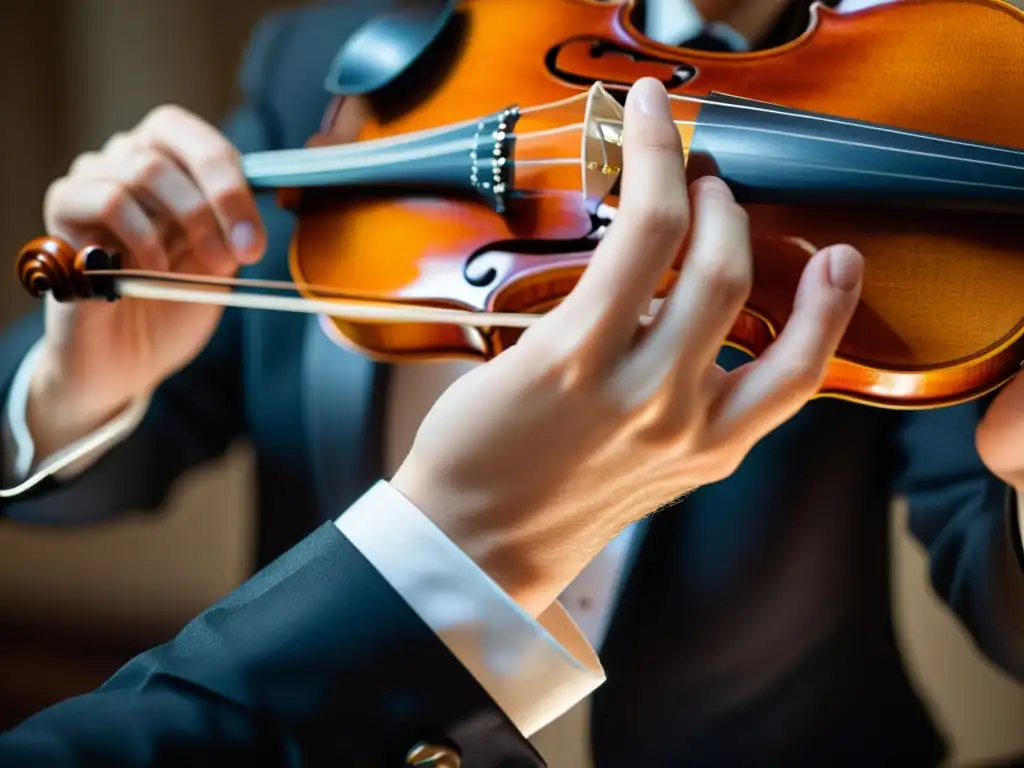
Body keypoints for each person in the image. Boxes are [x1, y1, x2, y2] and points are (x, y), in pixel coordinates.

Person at [0, 0, 1022, 764]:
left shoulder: (923, 75)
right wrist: (69, 385)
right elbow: (101, 478)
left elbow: (996, 582)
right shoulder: (329, 56)